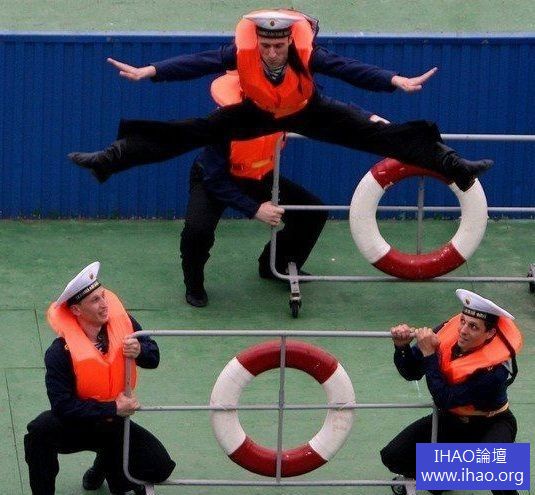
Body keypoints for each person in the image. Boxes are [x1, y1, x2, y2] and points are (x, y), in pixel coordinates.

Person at [69, 8, 492, 193]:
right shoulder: (242, 53)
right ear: (259, 42)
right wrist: (151, 71)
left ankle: (456, 166)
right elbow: (198, 62)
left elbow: (348, 68)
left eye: (279, 45)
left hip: (309, 112)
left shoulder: (307, 56)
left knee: (381, 135)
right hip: (256, 113)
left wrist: (394, 80)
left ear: (290, 41)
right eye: (267, 45)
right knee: (189, 132)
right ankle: (108, 159)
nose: (272, 52)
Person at [24, 262, 175, 495]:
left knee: (160, 466)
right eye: (95, 300)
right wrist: (113, 407)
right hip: (76, 424)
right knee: (38, 433)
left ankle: (100, 470)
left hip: (113, 424)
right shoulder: (59, 353)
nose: (105, 305)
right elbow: (62, 407)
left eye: (103, 296)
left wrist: (140, 351)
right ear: (76, 310)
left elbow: (153, 357)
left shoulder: (124, 324)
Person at [381, 289, 523, 495]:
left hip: (492, 422)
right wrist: (402, 347)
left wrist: (430, 355)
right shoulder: (446, 333)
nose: (463, 330)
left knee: (499, 474)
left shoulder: (497, 370)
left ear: (490, 334)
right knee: (392, 455)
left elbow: (445, 398)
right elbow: (411, 372)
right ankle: (441, 478)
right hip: (452, 420)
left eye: (473, 326)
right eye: (463, 321)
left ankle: (448, 474)